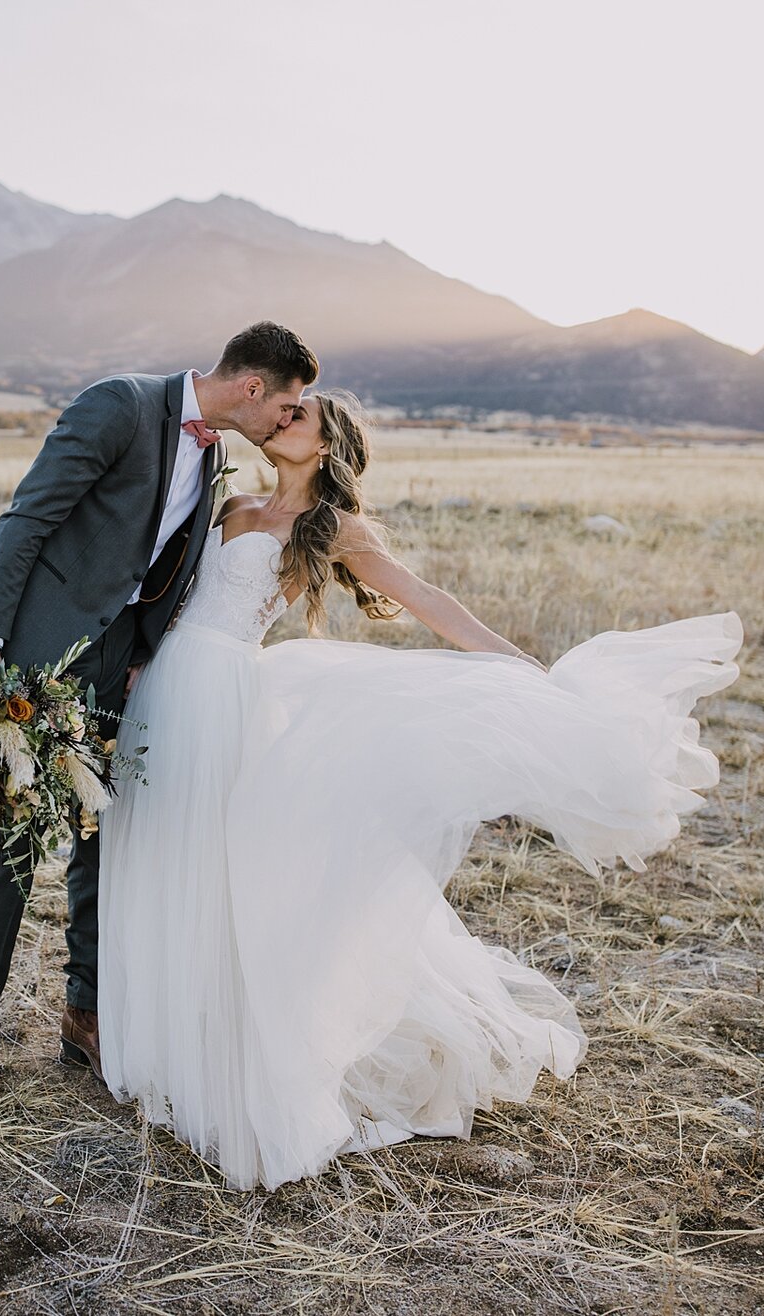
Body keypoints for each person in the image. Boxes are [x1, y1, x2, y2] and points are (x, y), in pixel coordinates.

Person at [98, 391, 742, 1191]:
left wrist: (524, 673)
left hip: (228, 693)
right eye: (280, 411)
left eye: (298, 415)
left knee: (221, 867)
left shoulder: (331, 530)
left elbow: (428, 602)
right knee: (158, 853)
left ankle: (239, 1057)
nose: (279, 419)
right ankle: (164, 1043)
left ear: (328, 442)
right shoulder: (232, 502)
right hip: (166, 691)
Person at [0, 322, 320, 1123]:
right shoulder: (119, 406)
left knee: (103, 846)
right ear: (252, 388)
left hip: (123, 672)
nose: (288, 421)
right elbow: (28, 519)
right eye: (286, 406)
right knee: (7, 846)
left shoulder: (215, 455)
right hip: (34, 662)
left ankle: (85, 1016)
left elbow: (167, 566)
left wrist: (143, 652)